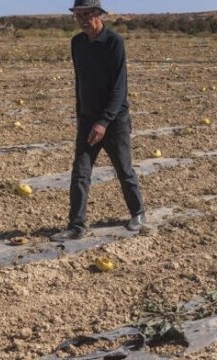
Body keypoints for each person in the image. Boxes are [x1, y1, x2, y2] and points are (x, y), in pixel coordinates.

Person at [50, 0, 145, 242]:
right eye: (77, 15)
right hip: (88, 120)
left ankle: (138, 213)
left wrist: (103, 122)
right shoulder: (77, 43)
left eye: (86, 14)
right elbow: (79, 82)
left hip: (114, 121)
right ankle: (76, 225)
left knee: (123, 169)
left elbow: (119, 89)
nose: (81, 19)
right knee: (80, 172)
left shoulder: (114, 42)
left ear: (98, 14)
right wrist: (82, 116)